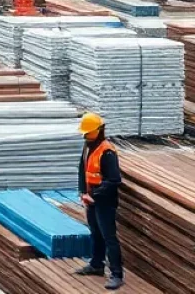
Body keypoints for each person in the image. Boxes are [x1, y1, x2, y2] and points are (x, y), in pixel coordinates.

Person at [76, 112, 124, 290]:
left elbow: (114, 180)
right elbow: (82, 169)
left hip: (105, 202)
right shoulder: (87, 146)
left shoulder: (107, 152)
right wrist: (82, 192)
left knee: (109, 237)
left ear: (98, 131)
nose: (85, 135)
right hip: (90, 199)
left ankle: (117, 274)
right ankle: (96, 264)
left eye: (88, 133)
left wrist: (94, 196)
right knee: (95, 233)